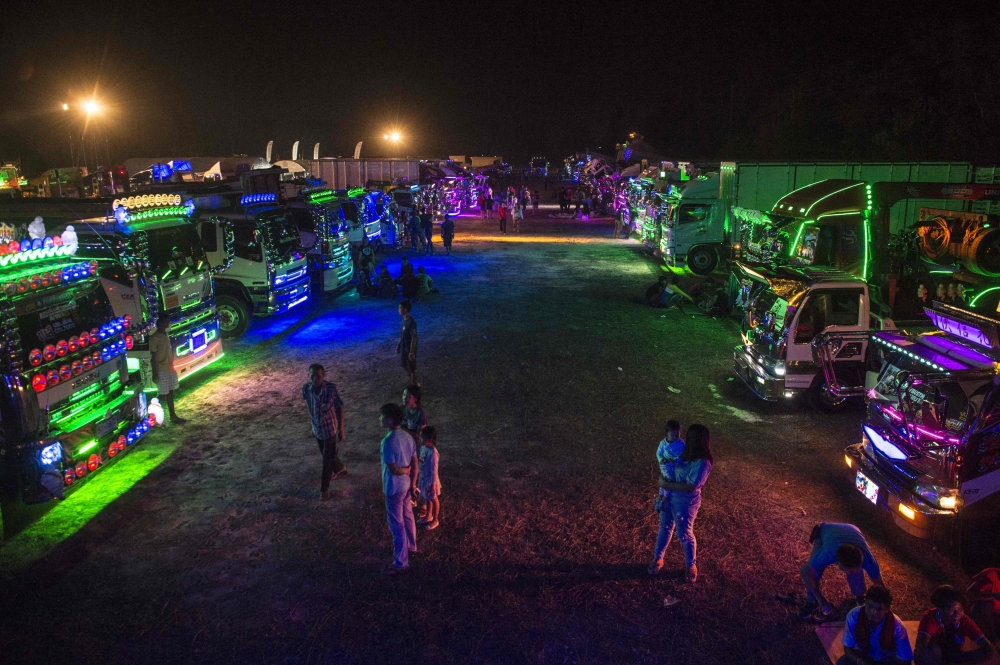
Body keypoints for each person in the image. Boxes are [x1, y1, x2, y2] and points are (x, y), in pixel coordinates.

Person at [649, 423, 713, 583]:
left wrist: (666, 484)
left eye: (688, 437)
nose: (683, 439)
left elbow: (692, 486)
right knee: (664, 527)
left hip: (685, 502)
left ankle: (691, 565)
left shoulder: (703, 462)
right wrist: (665, 471)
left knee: (684, 534)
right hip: (669, 497)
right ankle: (658, 558)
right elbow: (670, 468)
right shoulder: (685, 453)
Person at [798, 523, 885, 620]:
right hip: (826, 530)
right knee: (814, 571)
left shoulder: (868, 559)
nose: (848, 573)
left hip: (852, 530)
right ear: (838, 563)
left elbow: (880, 586)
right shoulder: (829, 553)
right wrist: (821, 599)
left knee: (855, 573)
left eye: (853, 569)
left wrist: (883, 607)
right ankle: (811, 602)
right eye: (847, 570)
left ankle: (860, 597)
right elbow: (805, 571)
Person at [379, 403, 418, 574]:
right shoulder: (408, 437)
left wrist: (405, 470)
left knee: (396, 523)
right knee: (408, 514)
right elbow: (414, 460)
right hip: (406, 485)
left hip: (393, 487)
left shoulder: (387, 442)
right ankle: (412, 545)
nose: (380, 419)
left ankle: (401, 561)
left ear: (389, 420)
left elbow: (393, 469)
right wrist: (412, 479)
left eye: (382, 416)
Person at [916, 585, 996, 665]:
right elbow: (921, 647)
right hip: (936, 658)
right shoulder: (930, 617)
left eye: (960, 609)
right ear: (940, 609)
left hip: (956, 657)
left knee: (983, 653)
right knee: (931, 650)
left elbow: (989, 648)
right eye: (951, 610)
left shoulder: (964, 621)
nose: (957, 614)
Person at [301, 364, 346, 500]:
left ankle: (324, 488)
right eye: (312, 376)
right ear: (309, 376)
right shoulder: (306, 389)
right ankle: (339, 468)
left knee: (326, 460)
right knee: (327, 454)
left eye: (318, 376)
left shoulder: (331, 389)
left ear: (324, 375)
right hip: (317, 429)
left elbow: (340, 406)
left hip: (330, 429)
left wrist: (341, 429)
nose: (315, 379)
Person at [841, 586, 913, 665]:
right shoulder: (854, 616)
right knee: (843, 662)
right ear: (865, 603)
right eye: (870, 606)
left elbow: (905, 659)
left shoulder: (897, 627)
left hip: (887, 660)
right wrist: (860, 662)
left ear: (887, 609)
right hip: (864, 655)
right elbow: (847, 648)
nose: (873, 613)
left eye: (879, 609)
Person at [149, 315, 186, 424]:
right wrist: (155, 373)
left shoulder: (164, 334)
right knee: (163, 394)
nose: (168, 324)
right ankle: (151, 414)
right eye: (166, 322)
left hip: (168, 368)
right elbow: (153, 357)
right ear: (160, 323)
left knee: (169, 392)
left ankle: (172, 416)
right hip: (162, 369)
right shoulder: (154, 338)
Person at [416, 426, 442, 530]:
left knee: (433, 499)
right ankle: (428, 516)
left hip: (430, 481)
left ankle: (435, 519)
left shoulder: (433, 453)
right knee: (426, 497)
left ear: (429, 439)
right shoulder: (423, 448)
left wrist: (432, 484)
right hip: (423, 478)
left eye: (422, 438)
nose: (420, 439)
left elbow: (434, 470)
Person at [967, 568, 1000, 643]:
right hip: (981, 616)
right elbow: (970, 594)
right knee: (986, 607)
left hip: (996, 620)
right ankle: (991, 641)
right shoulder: (991, 574)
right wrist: (993, 595)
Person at [397, 300, 418, 385]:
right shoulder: (403, 321)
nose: (398, 309)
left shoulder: (411, 323)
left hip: (409, 349)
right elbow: (402, 335)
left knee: (412, 368)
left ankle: (415, 386)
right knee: (403, 364)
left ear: (405, 310)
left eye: (400, 308)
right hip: (403, 348)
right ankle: (412, 380)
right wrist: (398, 346)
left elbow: (414, 338)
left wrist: (412, 352)